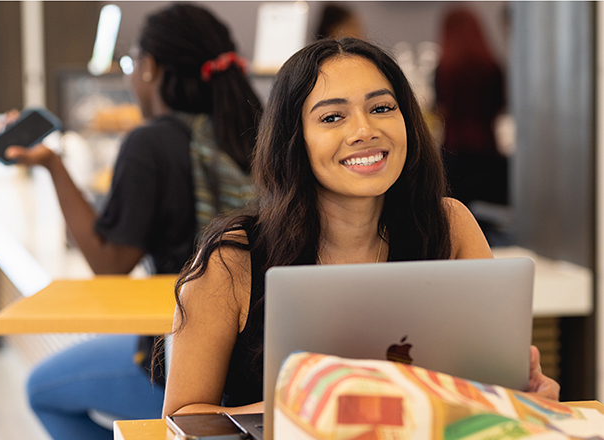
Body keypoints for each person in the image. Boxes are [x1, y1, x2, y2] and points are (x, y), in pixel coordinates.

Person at [161, 37, 560, 418]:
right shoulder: (232, 260)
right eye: (333, 117)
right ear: (294, 139)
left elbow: (484, 390)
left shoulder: (449, 225)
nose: (365, 131)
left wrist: (521, 394)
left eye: (382, 108)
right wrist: (313, 405)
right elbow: (182, 416)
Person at [0, 4, 261, 439]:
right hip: (255, 365)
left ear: (151, 69)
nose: (129, 78)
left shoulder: (150, 143)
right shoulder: (258, 129)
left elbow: (110, 261)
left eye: (131, 63)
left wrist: (52, 165)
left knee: (42, 389)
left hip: (177, 368)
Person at [435, 7, 508, 208]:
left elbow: (441, 108)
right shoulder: (491, 66)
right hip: (487, 147)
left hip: (454, 149)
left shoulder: (444, 69)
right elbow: (501, 104)